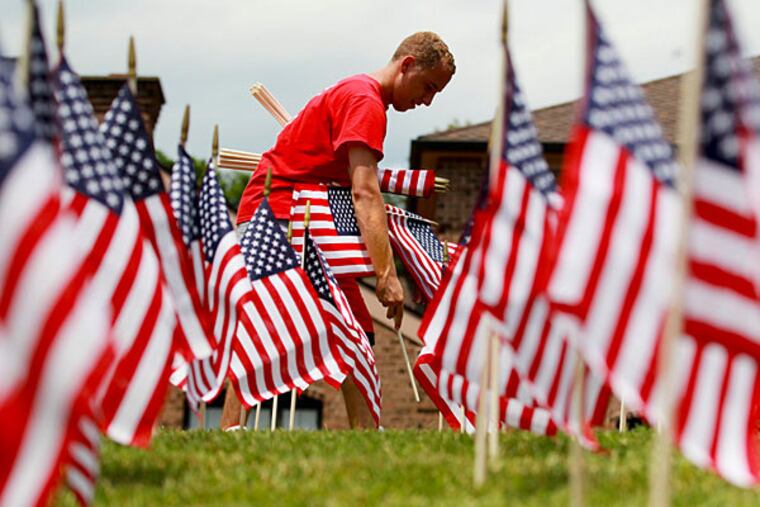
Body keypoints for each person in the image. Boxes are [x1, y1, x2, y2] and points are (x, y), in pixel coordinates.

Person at [222, 31, 455, 429]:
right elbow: (365, 192)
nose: (427, 100)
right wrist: (386, 275)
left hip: (312, 221)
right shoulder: (365, 101)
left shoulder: (357, 94)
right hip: (283, 218)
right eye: (428, 87)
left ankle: (365, 434)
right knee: (273, 321)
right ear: (407, 65)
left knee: (357, 330)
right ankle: (230, 427)